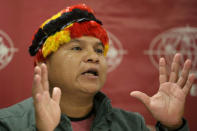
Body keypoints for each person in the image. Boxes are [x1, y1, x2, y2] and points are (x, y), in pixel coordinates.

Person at [0, 4, 195, 131]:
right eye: (77, 48)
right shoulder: (8, 123)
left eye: (99, 51)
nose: (94, 57)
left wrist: (172, 127)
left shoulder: (132, 125)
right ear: (44, 64)